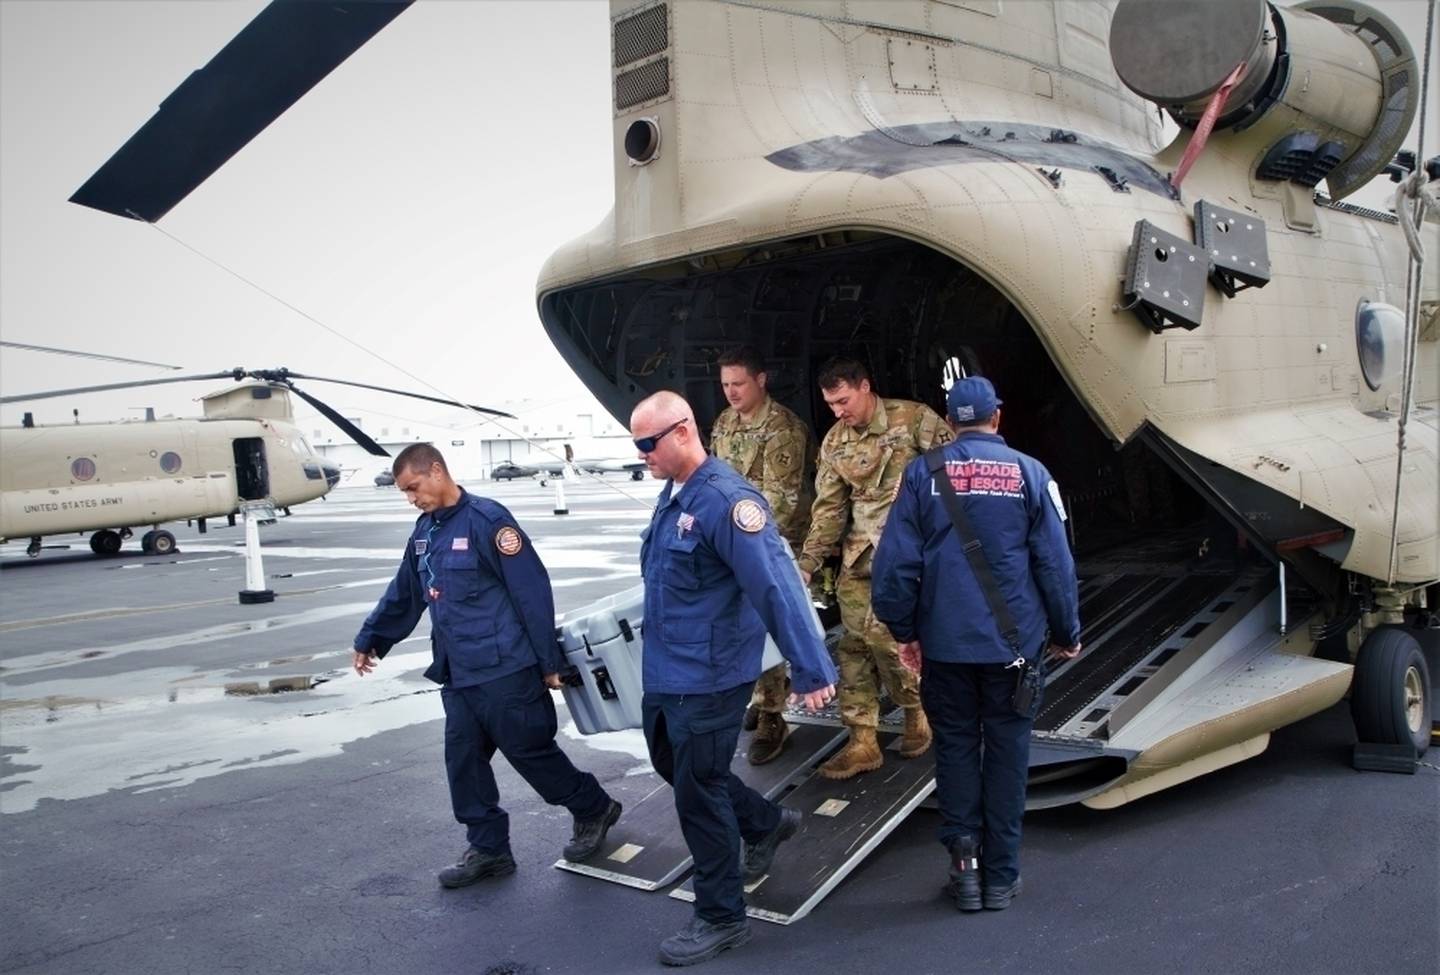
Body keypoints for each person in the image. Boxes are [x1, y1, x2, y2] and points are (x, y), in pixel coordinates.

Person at [351, 443, 620, 888]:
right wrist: (372, 638)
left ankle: (593, 807)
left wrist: (548, 660)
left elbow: (531, 591)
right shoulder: (424, 533)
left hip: (505, 667)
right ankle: (490, 849)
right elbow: (406, 592)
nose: (411, 498)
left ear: (436, 471)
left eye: (413, 488)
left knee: (529, 752)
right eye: (404, 492)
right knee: (463, 760)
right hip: (459, 672)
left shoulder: (489, 522)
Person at [631, 391, 837, 967]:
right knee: (674, 766)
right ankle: (767, 823)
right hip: (667, 670)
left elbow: (775, 587)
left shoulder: (728, 503)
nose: (641, 454)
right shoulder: (674, 496)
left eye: (648, 443)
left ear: (681, 432)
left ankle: (721, 916)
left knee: (699, 792)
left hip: (710, 675)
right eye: (637, 444)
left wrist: (811, 666)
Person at [871, 376, 1081, 912]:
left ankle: (963, 871)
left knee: (957, 752)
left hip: (946, 648)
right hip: (1014, 649)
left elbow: (895, 566)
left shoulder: (922, 474)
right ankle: (1001, 877)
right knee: (1008, 757)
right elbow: (1054, 566)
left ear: (950, 420)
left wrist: (905, 632)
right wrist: (1065, 632)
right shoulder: (1032, 475)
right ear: (998, 416)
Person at [796, 356, 953, 779]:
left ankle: (916, 710)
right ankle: (862, 740)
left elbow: (956, 481)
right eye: (831, 405)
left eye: (844, 401)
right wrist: (808, 562)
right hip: (859, 560)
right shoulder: (834, 443)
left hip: (909, 558)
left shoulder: (916, 420)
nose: (838, 412)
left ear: (865, 387)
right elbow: (828, 509)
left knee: (888, 642)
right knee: (853, 647)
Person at [709, 345, 818, 765]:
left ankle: (775, 715)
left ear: (760, 380)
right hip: (734, 541)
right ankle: (763, 694)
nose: (731, 393)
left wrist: (733, 537)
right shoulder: (724, 424)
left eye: (738, 383)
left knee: (762, 625)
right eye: (725, 385)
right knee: (739, 624)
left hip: (771, 541)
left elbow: (782, 501)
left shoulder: (783, 428)